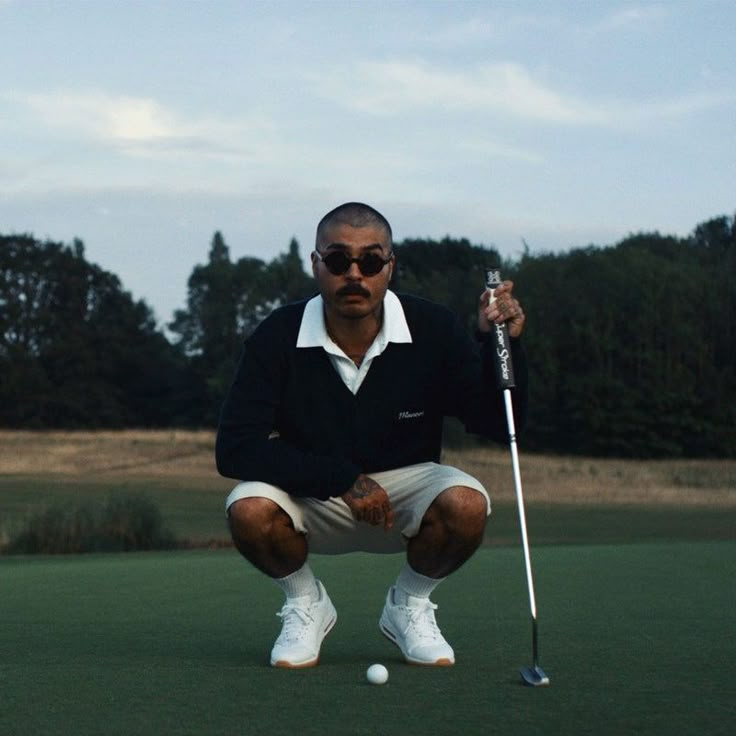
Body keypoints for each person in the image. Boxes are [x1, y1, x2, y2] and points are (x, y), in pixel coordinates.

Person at [216, 202, 527, 668]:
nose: (355, 274)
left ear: (390, 266)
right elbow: (235, 448)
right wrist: (342, 478)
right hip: (316, 491)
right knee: (248, 507)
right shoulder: (277, 335)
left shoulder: (434, 329)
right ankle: (306, 603)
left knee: (467, 502)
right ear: (316, 265)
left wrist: (501, 345)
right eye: (339, 261)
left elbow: (499, 423)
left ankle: (409, 606)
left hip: (406, 487)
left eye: (371, 261)